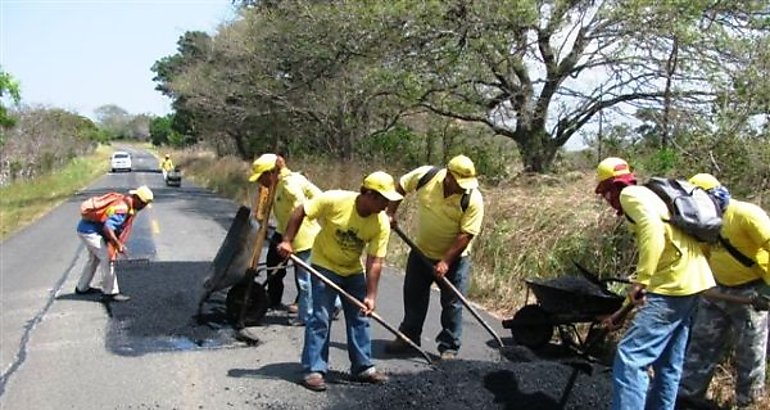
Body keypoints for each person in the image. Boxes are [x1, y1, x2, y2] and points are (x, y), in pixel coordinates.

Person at [594, 157, 715, 410]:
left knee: (630, 358)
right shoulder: (652, 195)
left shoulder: (631, 196)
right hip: (693, 281)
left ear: (613, 187)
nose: (607, 200)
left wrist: (642, 280)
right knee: (669, 363)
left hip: (672, 284)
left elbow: (652, 230)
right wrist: (625, 306)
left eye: (605, 193)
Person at [277, 171, 402, 392]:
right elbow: (301, 211)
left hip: (353, 270)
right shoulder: (335, 200)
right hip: (324, 263)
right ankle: (314, 369)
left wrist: (370, 296)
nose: (386, 205)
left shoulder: (380, 222)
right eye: (383, 200)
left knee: (360, 316)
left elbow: (375, 262)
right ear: (370, 195)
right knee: (320, 317)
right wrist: (287, 240)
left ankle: (363, 367)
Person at [677, 173, 770, 408]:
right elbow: (703, 255)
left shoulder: (746, 215)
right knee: (701, 343)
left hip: (751, 293)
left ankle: (748, 403)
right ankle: (688, 396)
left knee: (750, 351)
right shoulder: (703, 222)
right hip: (716, 291)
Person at [384, 155, 484, 360]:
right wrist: (390, 214)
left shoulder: (472, 199)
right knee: (413, 294)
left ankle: (449, 346)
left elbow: (466, 234)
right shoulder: (426, 176)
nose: (463, 187)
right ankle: (409, 336)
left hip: (456, 258)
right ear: (448, 176)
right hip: (421, 251)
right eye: (459, 182)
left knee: (453, 302)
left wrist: (446, 261)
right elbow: (401, 186)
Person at [248, 153, 340, 326]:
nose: (260, 182)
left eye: (261, 177)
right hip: (293, 236)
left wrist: (288, 239)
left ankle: (307, 317)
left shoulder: (289, 184)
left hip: (304, 238)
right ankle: (334, 304)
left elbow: (302, 208)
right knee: (314, 276)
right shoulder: (279, 184)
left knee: (306, 281)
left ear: (271, 173)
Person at [75, 185, 154, 302]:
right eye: (143, 203)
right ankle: (110, 293)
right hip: (89, 232)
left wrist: (116, 243)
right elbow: (108, 228)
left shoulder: (127, 204)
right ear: (136, 197)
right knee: (107, 258)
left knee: (94, 259)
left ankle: (82, 288)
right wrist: (117, 244)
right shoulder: (122, 209)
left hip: (90, 230)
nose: (143, 206)